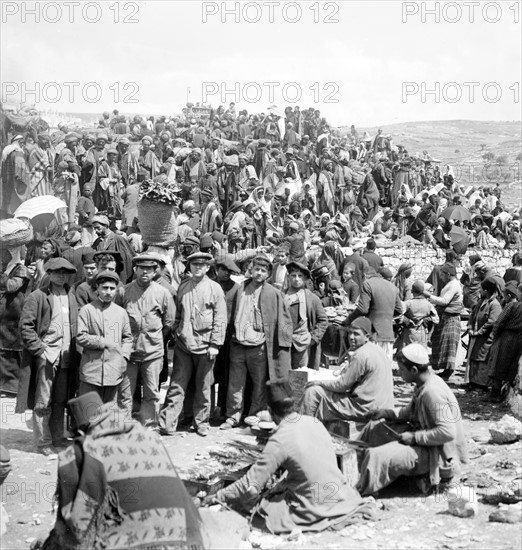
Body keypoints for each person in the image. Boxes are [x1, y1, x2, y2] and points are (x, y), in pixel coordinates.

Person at [38, 392, 207, 550]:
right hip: (187, 538)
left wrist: (48, 544)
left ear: (82, 430)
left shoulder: (88, 449)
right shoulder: (149, 437)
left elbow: (77, 526)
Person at [207, 379, 367, 534]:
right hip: (337, 494)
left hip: (314, 504)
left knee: (265, 512)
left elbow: (249, 486)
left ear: (270, 411)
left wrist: (216, 496)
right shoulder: (314, 422)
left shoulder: (280, 438)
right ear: (293, 405)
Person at [356, 344, 468, 496]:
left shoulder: (432, 392)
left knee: (377, 456)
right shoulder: (423, 384)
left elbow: (447, 432)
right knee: (373, 429)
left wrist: (414, 437)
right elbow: (410, 412)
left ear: (414, 370)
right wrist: (386, 413)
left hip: (439, 455)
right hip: (427, 441)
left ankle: (362, 491)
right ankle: (358, 470)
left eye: (402, 369)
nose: (399, 373)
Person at [221, 253, 292, 429]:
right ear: (250, 271)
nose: (259, 273)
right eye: (256, 269)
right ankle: (232, 416)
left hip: (258, 347)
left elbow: (284, 319)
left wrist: (283, 343)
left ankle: (253, 416)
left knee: (259, 383)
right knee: (235, 383)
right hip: (238, 344)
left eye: (263, 270)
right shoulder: (240, 289)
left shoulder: (273, 294)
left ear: (268, 274)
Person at [159, 252, 226, 437]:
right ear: (189, 267)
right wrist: (176, 332)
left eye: (201, 265)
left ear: (207, 268)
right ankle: (168, 422)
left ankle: (201, 422)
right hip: (184, 345)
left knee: (204, 387)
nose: (197, 268)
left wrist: (215, 344)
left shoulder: (215, 289)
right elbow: (178, 314)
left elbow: (220, 319)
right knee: (177, 385)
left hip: (205, 346)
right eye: (194, 265)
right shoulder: (184, 286)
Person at [17, 258, 79, 455]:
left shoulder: (71, 295)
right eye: (56, 272)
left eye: (64, 273)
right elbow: (25, 326)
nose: (61, 276)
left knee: (60, 399)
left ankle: (58, 436)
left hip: (66, 354)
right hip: (47, 355)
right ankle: (43, 442)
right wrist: (39, 348)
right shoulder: (38, 296)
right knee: (43, 401)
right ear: (49, 274)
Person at [300, 317, 394, 422]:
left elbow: (342, 386)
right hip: (384, 406)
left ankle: (306, 427)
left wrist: (319, 382)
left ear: (367, 337)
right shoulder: (378, 350)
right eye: (350, 333)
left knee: (313, 391)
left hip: (366, 409)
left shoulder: (361, 354)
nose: (351, 337)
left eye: (356, 334)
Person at [120, 254, 176, 426]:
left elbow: (169, 322)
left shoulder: (163, 293)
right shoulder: (124, 291)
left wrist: (155, 338)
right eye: (141, 268)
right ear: (135, 270)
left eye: (149, 269)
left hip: (153, 352)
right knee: (125, 392)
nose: (145, 272)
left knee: (151, 391)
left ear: (155, 272)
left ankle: (150, 424)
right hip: (129, 353)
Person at [76, 271, 133, 404]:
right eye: (105, 288)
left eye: (112, 288)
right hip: (91, 370)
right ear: (98, 288)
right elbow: (80, 336)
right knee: (89, 411)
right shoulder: (87, 310)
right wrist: (102, 342)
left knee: (109, 412)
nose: (108, 292)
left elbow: (127, 337)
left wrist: (124, 357)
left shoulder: (121, 312)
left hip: (113, 369)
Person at [345, 267, 402, 361]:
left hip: (372, 334)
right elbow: (399, 310)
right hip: (388, 334)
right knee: (385, 367)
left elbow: (362, 309)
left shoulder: (367, 284)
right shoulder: (393, 287)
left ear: (365, 276)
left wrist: (349, 319)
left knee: (370, 367)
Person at [283, 261, 328, 369]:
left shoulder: (312, 298)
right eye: (293, 275)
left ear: (305, 278)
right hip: (284, 345)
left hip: (303, 344)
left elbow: (323, 320)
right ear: (289, 277)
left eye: (300, 276)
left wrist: (313, 339)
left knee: (300, 377)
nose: (296, 279)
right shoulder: (281, 296)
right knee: (284, 376)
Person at [424, 262, 463, 380]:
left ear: (448, 274)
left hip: (450, 318)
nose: (440, 277)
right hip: (445, 318)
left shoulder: (454, 285)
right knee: (444, 343)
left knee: (449, 344)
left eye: (442, 274)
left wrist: (429, 296)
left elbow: (445, 301)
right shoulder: (450, 284)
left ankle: (448, 370)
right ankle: (445, 369)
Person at [486, 281, 522, 402]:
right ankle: (504, 392)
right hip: (518, 338)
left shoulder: (512, 306)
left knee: (499, 363)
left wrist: (495, 334)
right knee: (511, 365)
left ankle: (495, 393)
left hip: (507, 336)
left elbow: (499, 322)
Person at [465, 278, 501, 390]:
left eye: (481, 289)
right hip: (475, 336)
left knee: (482, 360)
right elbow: (473, 316)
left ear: (485, 290)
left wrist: (479, 332)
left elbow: (492, 321)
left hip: (485, 338)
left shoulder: (494, 305)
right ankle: (472, 381)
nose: (479, 290)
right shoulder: (481, 301)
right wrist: (470, 327)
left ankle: (481, 384)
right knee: (473, 359)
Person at [92, 214, 136, 283]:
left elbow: (128, 260)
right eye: (94, 228)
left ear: (106, 226)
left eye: (98, 228)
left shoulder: (118, 239)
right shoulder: (97, 242)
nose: (96, 231)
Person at [397, 280, 439, 351]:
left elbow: (398, 315)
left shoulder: (407, 304)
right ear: (423, 291)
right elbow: (436, 320)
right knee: (420, 354)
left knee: (408, 354)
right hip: (422, 332)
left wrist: (406, 320)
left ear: (412, 291)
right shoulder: (428, 305)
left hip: (409, 332)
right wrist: (426, 320)